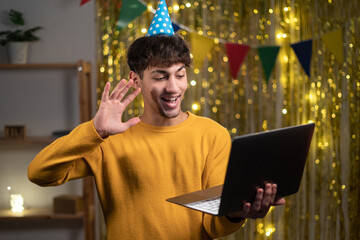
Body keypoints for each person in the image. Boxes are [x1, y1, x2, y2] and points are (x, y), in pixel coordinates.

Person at [28, 2, 284, 239]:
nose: (173, 87)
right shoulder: (107, 139)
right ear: (136, 80)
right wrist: (95, 130)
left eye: (180, 75)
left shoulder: (212, 135)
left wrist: (236, 213)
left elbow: (212, 227)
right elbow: (39, 173)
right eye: (160, 76)